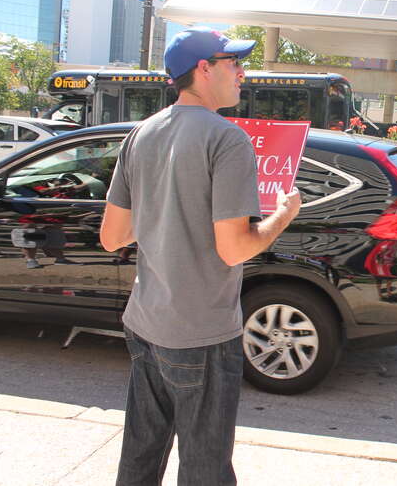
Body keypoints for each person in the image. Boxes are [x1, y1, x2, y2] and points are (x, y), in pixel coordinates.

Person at [100, 26, 302, 486]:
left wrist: (165, 209)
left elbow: (112, 236)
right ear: (203, 69)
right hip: (203, 333)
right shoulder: (228, 140)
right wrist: (284, 215)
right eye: (233, 63)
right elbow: (234, 248)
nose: (242, 73)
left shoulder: (141, 134)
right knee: (205, 466)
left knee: (141, 453)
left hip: (146, 322)